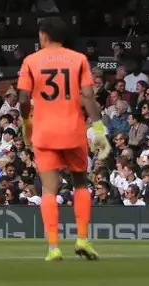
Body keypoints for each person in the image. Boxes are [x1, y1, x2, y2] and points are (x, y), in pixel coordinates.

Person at [17, 16, 107, 262]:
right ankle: (82, 240)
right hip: (73, 131)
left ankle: (53, 247)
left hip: (44, 133)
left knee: (48, 189)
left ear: (44, 36)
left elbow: (24, 100)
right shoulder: (79, 59)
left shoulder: (31, 61)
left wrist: (27, 123)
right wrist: (98, 129)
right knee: (80, 184)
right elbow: (88, 97)